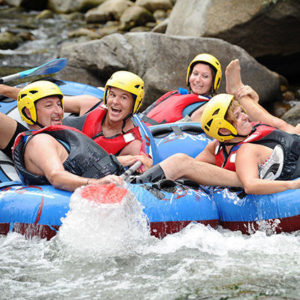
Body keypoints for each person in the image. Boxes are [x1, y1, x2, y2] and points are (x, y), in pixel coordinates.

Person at [132, 93, 300, 195]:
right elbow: (191, 170)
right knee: (179, 162)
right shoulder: (218, 147)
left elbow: (249, 185)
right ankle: (139, 185)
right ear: (224, 130)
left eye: (242, 112)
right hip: (269, 170)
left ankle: (137, 185)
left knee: (180, 162)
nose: (245, 116)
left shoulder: (245, 149)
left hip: (292, 159)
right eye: (238, 115)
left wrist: (291, 185)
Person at [0, 71, 152, 171]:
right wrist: (4, 90)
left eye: (124, 98)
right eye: (112, 95)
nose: (115, 102)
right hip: (32, 149)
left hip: (63, 171)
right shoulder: (90, 104)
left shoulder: (133, 143)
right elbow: (38, 99)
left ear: (135, 103)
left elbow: (133, 171)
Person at [141, 53, 300, 135]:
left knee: (227, 108)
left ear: (213, 82)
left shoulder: (213, 102)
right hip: (160, 135)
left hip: (188, 132)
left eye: (205, 76)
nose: (198, 80)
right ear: (189, 76)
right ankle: (238, 93)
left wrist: (254, 100)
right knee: (227, 105)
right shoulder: (174, 95)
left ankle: (287, 129)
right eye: (195, 74)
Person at [12, 80, 124, 192]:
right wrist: (97, 183)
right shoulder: (40, 141)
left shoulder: (54, 138)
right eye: (48, 106)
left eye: (59, 105)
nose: (58, 111)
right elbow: (56, 177)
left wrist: (130, 159)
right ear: (28, 112)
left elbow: (92, 164)